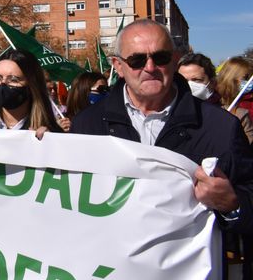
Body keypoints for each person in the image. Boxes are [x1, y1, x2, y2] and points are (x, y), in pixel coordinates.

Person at [72, 19, 253, 237]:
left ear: (175, 60)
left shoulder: (221, 127)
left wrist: (232, 205)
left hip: (185, 268)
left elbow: (247, 197)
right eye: (137, 60)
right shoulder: (86, 124)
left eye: (160, 58)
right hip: (109, 266)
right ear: (118, 66)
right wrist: (38, 149)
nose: (150, 68)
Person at [181, 53, 253, 144]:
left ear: (212, 82)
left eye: (196, 80)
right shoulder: (166, 115)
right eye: (183, 80)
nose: (189, 85)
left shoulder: (236, 115)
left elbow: (245, 152)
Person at [217, 57, 253, 123]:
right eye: (246, 78)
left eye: (251, 78)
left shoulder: (250, 102)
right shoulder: (215, 99)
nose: (250, 82)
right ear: (231, 78)